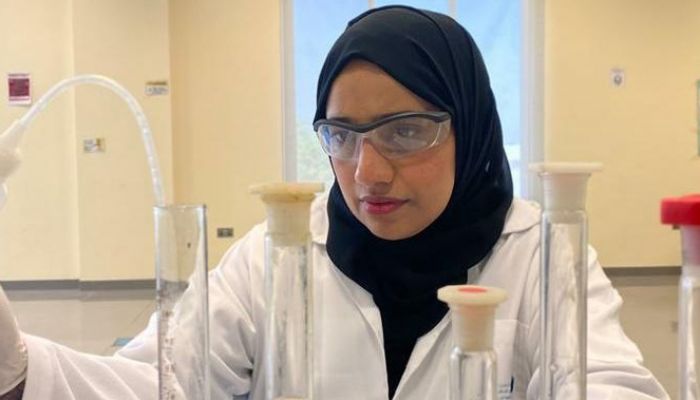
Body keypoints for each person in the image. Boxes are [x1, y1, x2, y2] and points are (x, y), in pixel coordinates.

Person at [0, 6, 669, 400]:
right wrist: (19, 367)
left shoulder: (541, 254)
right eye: (342, 135)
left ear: (469, 128)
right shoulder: (274, 254)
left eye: (406, 131)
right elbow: (161, 383)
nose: (366, 172)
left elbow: (613, 383)